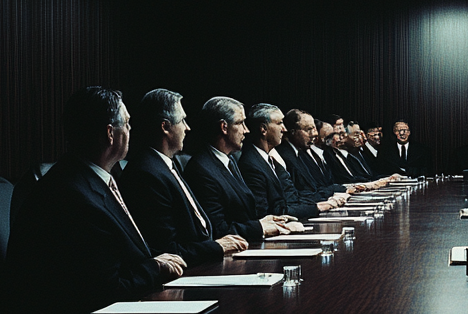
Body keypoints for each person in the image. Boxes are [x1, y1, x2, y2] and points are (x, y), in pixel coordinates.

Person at [5, 86, 187, 314]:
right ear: (110, 134)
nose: (131, 130)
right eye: (127, 123)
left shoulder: (91, 179)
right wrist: (155, 268)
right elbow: (104, 290)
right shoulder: (73, 196)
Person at [120, 88, 248, 266]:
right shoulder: (147, 173)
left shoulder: (165, 164)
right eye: (182, 121)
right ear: (165, 127)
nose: (187, 128)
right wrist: (217, 247)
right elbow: (168, 250)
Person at [183, 96, 293, 242]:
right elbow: (218, 230)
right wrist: (259, 227)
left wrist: (266, 221)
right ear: (224, 127)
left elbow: (244, 213)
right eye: (240, 123)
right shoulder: (202, 169)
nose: (246, 130)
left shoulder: (230, 161)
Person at [238, 103, 335, 223]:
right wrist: (316, 207)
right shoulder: (251, 164)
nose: (284, 129)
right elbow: (269, 213)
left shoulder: (269, 159)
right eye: (279, 123)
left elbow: (293, 197)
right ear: (263, 129)